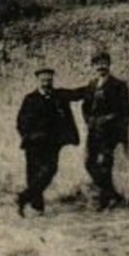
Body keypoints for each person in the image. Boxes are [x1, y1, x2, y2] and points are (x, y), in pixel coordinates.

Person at [15, 66, 79, 216]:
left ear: (52, 80)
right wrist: (28, 135)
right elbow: (21, 121)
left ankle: (24, 197)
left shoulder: (59, 95)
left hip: (52, 143)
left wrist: (94, 85)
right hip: (34, 143)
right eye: (43, 80)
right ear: (38, 81)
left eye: (49, 80)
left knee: (50, 170)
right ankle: (37, 207)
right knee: (33, 173)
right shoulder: (30, 99)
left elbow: (78, 94)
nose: (46, 83)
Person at [79, 50, 129, 210]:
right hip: (94, 130)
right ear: (93, 66)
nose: (101, 67)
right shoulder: (92, 85)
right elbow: (85, 106)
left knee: (105, 164)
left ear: (109, 64)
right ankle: (112, 194)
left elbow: (125, 110)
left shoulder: (119, 85)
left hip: (110, 131)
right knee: (89, 163)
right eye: (97, 64)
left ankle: (104, 200)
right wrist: (89, 120)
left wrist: (112, 122)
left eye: (104, 63)